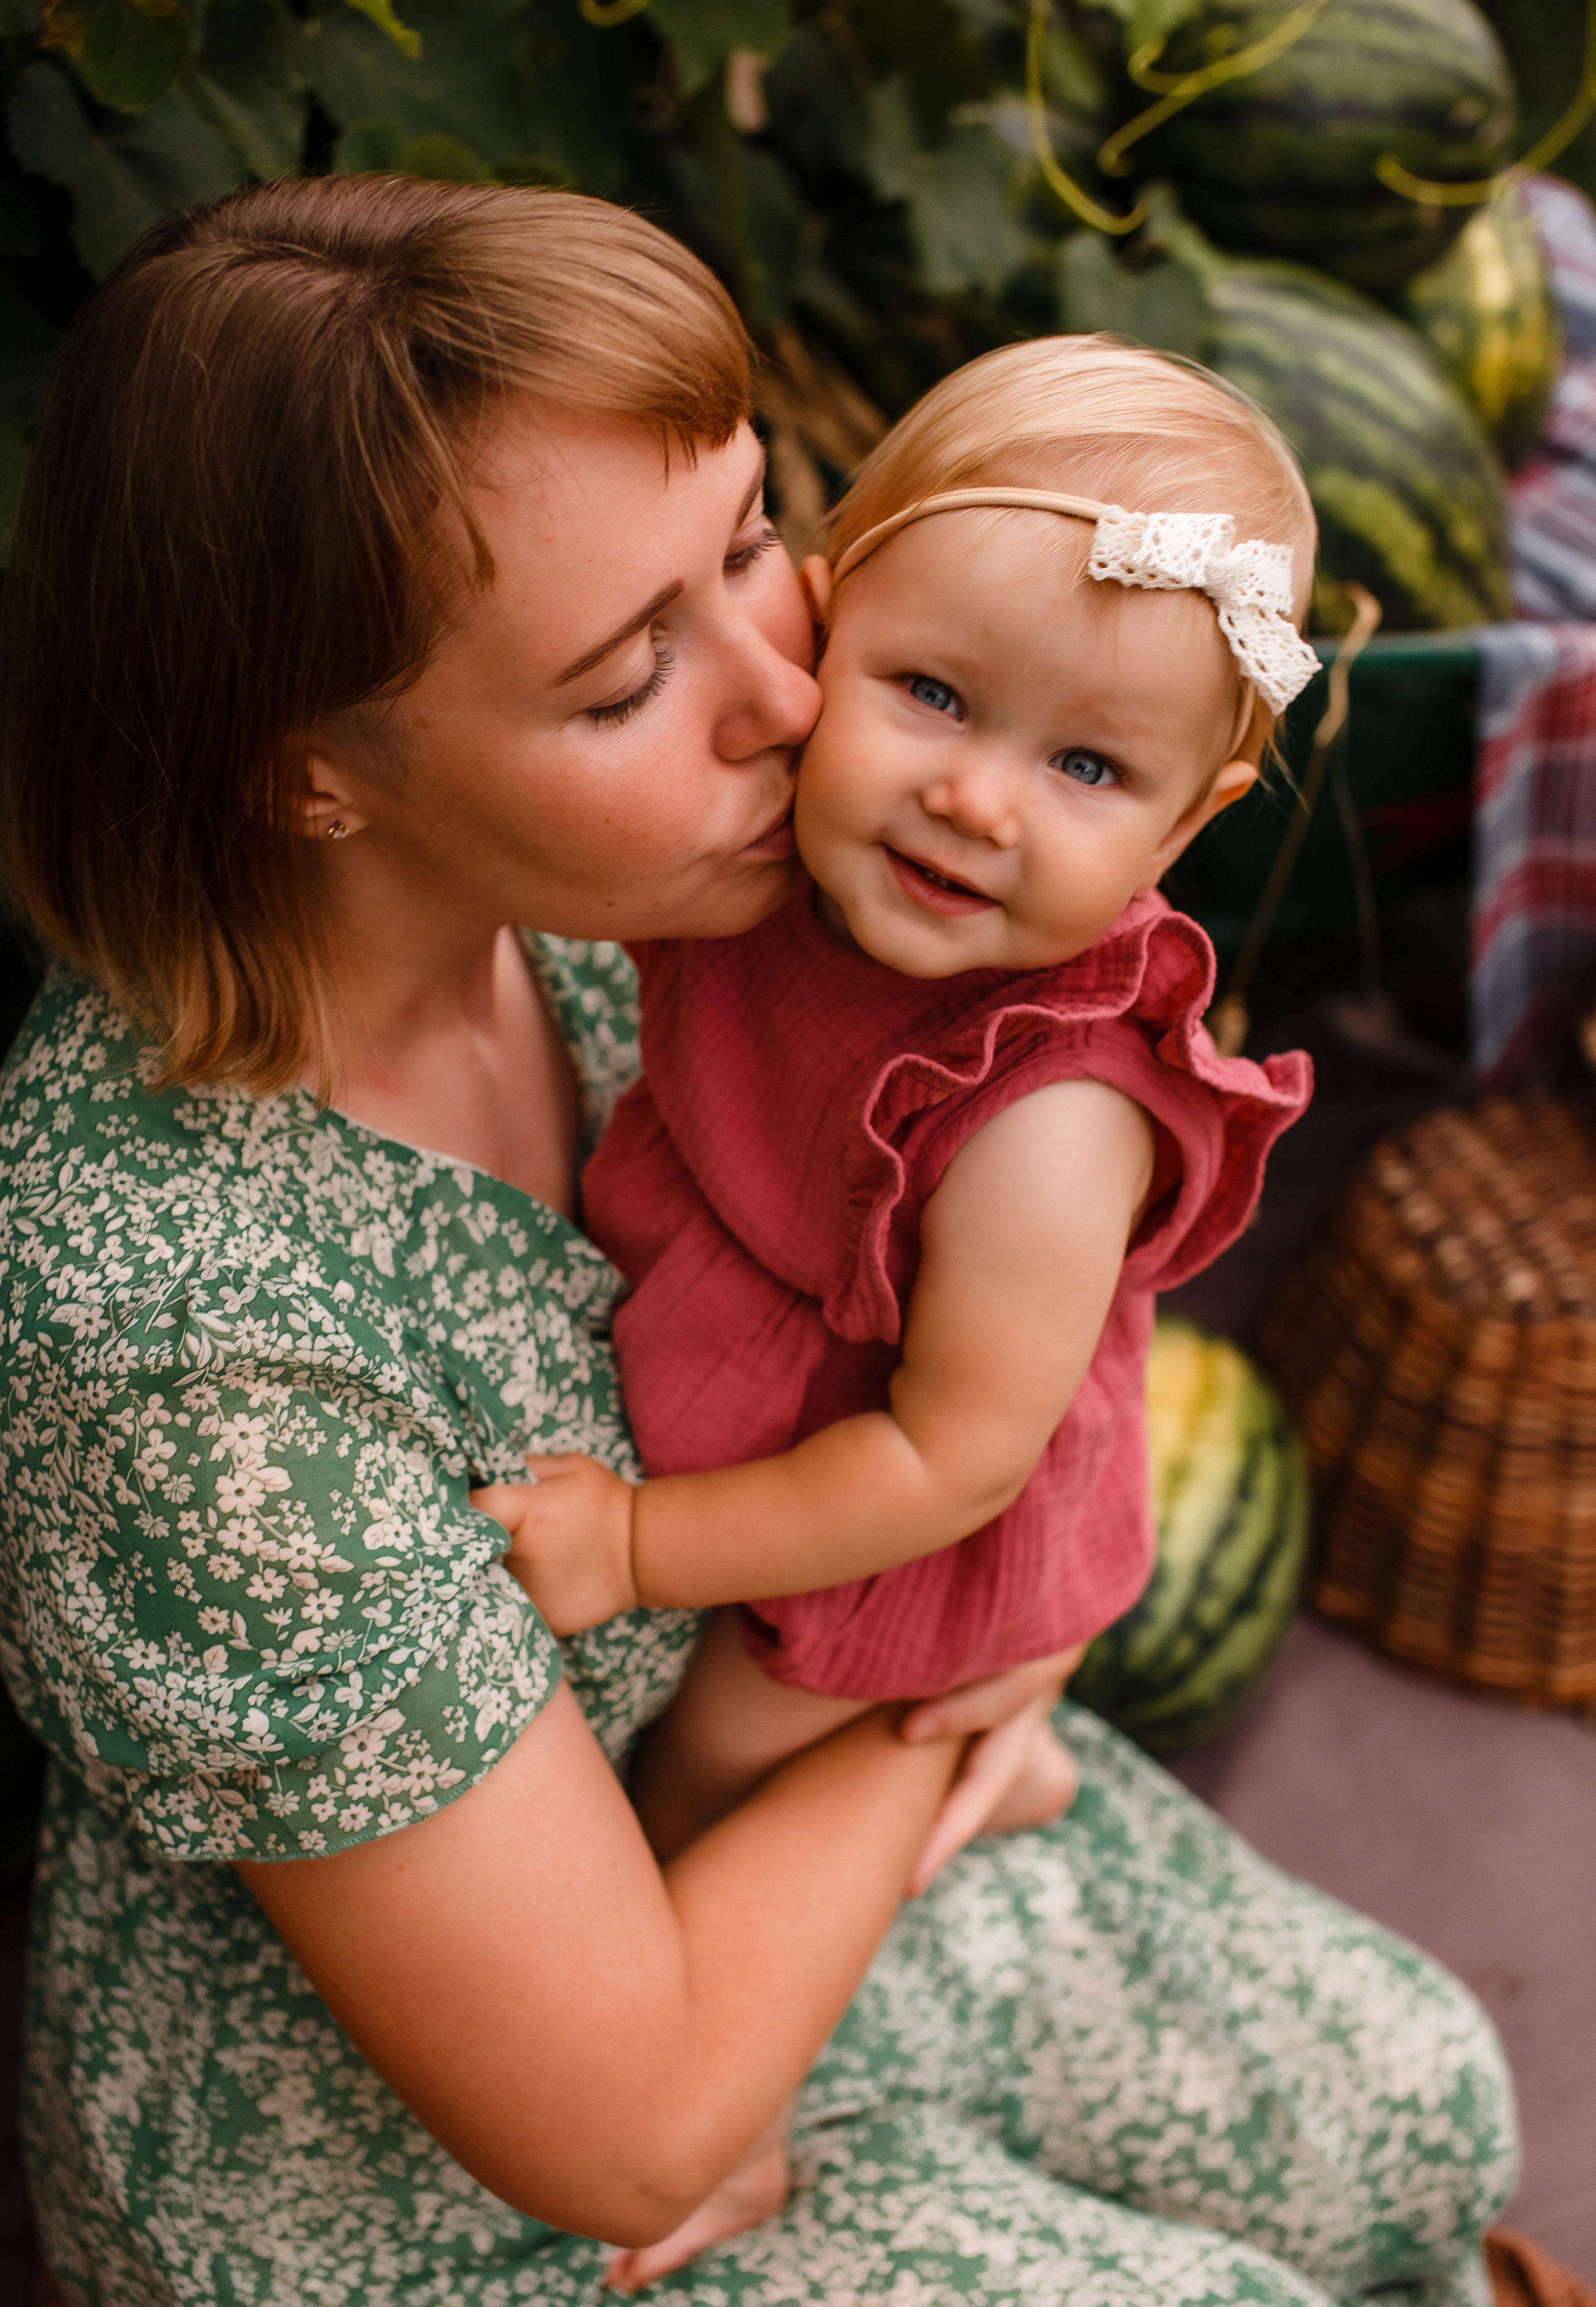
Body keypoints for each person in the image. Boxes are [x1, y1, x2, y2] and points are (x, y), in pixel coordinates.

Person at [0, 175, 1515, 2307]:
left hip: (756, 1728)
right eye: (627, 679)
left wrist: (1033, 1610)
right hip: (450, 2163)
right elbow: (624, 2126)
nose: (790, 702)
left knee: (1427, 2112)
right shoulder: (184, 1350)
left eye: (751, 552)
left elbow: (1011, 1311)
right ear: (312, 777)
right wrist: (942, 1739)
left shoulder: (692, 897)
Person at [492, 341, 1317, 1892]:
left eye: (1085, 765)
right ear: (819, 620)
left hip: (903, 1495)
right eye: (931, 693)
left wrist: (636, 1552)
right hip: (788, 1359)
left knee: (713, 1752)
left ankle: (723, 2042)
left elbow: (949, 1459)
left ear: (1184, 821)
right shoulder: (780, 854)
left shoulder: (1048, 1121)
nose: (975, 801)